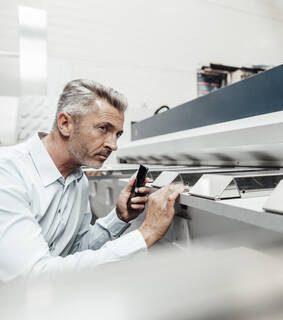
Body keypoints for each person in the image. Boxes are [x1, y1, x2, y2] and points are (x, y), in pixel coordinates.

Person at [0, 79, 186, 282]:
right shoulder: (8, 172)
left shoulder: (78, 180)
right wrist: (146, 233)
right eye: (103, 128)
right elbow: (32, 277)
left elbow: (76, 250)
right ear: (65, 124)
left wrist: (119, 218)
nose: (114, 145)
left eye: (118, 134)